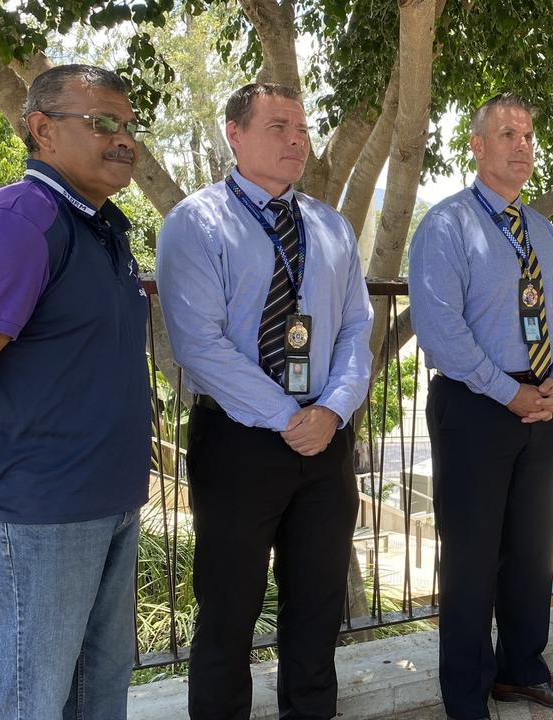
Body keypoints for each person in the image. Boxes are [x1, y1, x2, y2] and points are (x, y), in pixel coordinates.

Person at [156, 82, 374, 719]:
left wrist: (330, 411)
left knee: (316, 602)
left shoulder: (331, 227)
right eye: (278, 126)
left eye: (301, 129)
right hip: (238, 442)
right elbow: (199, 344)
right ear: (235, 133)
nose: (296, 140)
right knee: (228, 608)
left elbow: (358, 327)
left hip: (326, 441)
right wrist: (288, 417)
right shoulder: (196, 222)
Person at [0, 64, 150, 718]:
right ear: (42, 129)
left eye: (127, 125)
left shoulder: (103, 226)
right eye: (102, 123)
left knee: (98, 693)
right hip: (33, 515)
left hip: (108, 504)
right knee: (26, 702)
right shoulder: (19, 220)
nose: (123, 139)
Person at [408, 93, 553, 720]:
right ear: (477, 147)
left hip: (541, 403)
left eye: (528, 135)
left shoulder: (541, 230)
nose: (521, 146)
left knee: (532, 547)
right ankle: (465, 697)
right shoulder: (446, 225)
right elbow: (441, 332)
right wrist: (508, 391)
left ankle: (520, 671)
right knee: (471, 556)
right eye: (507, 134)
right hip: (476, 405)